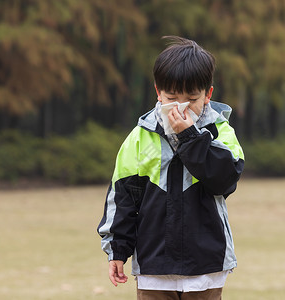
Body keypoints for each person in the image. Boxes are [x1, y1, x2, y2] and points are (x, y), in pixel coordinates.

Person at [97, 36, 245, 300]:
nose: (180, 106)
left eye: (191, 98)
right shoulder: (140, 137)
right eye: (172, 97)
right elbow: (123, 198)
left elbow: (225, 180)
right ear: (158, 92)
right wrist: (118, 250)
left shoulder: (220, 131)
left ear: (208, 94)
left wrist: (190, 136)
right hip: (154, 267)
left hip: (206, 267)